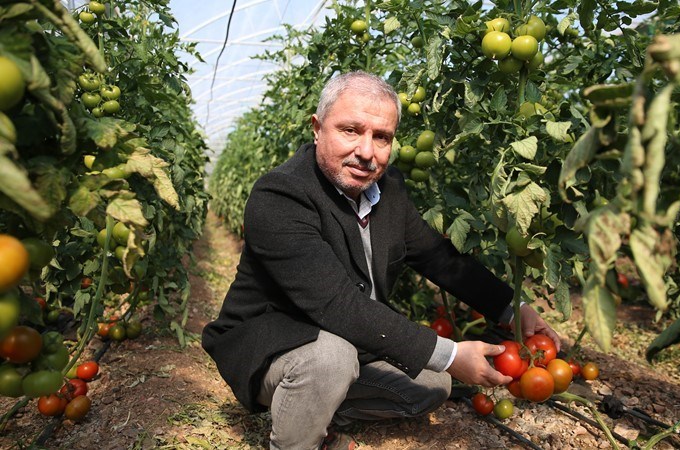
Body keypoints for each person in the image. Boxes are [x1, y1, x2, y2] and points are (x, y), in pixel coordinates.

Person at [202, 71, 561, 450]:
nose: (367, 152)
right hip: (276, 343)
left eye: (382, 137)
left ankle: (310, 406)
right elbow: (337, 304)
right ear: (317, 127)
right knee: (332, 360)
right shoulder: (281, 195)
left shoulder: (387, 189)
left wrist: (510, 307)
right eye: (350, 130)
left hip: (347, 341)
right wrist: (451, 353)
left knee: (432, 384)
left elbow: (437, 257)